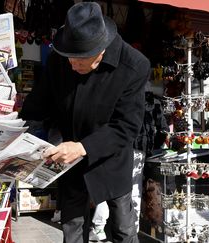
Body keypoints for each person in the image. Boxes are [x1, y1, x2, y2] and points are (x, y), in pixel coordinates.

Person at [19, 2, 150, 243]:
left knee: (122, 225)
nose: (72, 64)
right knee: (72, 226)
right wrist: (14, 118)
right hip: (69, 156)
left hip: (109, 155)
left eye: (80, 59)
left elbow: (127, 127)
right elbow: (40, 100)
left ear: (101, 50)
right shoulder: (63, 58)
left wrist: (82, 147)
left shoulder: (134, 65)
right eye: (69, 57)